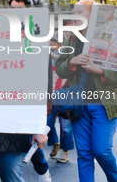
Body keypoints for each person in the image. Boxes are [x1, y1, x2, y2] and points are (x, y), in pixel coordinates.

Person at [0, 0, 51, 182]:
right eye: (12, 9)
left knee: (12, 176)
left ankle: (43, 169)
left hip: (13, 129)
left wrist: (38, 125)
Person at [56, 0, 117, 182]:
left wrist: (98, 71)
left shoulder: (110, 37)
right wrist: (72, 62)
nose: (75, 16)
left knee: (101, 150)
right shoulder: (72, 38)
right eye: (74, 12)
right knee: (83, 153)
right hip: (78, 105)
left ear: (93, 15)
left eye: (80, 12)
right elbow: (59, 68)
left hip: (104, 104)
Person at [48, 33, 74, 163]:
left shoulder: (66, 54)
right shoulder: (47, 53)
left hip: (64, 96)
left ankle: (65, 152)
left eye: (54, 41)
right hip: (49, 95)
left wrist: (52, 55)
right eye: (51, 41)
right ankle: (55, 142)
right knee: (47, 123)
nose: (52, 43)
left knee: (66, 128)